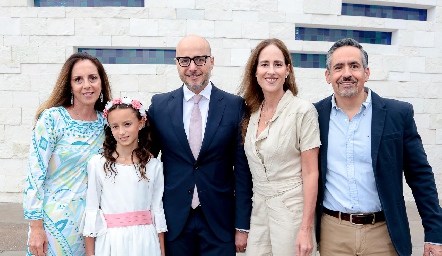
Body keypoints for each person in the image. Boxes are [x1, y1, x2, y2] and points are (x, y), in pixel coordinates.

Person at [314, 38, 442, 256]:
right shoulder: (314, 116)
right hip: (333, 233)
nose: (347, 74)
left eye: (354, 66)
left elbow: (420, 176)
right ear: (328, 76)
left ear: (366, 72)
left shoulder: (397, 114)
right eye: (338, 67)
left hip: (384, 233)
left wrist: (435, 233)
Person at [147, 34, 253, 255]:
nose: (192, 67)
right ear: (176, 64)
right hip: (174, 221)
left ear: (211, 61)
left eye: (200, 59)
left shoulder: (235, 106)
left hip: (219, 222)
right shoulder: (159, 106)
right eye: (184, 60)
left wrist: (242, 225)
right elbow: (146, 161)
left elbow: (242, 172)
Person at [23, 52, 112, 256]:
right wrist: (36, 228)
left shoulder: (107, 124)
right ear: (70, 86)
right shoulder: (53, 119)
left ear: (101, 82)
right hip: (54, 222)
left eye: (93, 78)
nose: (87, 85)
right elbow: (34, 175)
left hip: (94, 224)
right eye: (78, 80)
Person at [238, 38, 320, 256]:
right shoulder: (251, 113)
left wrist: (306, 228)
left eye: (278, 64)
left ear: (288, 70)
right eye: (264, 64)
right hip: (259, 212)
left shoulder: (303, 111)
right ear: (255, 71)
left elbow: (311, 173)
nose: (271, 71)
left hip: (291, 210)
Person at [81, 97, 167, 256]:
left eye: (127, 124)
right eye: (115, 126)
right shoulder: (98, 164)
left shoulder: (153, 165)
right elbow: (92, 209)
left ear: (141, 123)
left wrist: (162, 252)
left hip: (146, 241)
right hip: (112, 242)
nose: (121, 132)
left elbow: (157, 209)